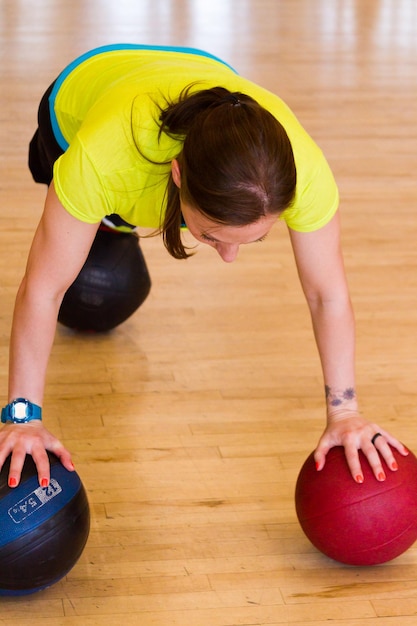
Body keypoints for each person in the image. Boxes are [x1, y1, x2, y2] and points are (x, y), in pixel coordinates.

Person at [0, 43, 407, 488]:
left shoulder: (300, 171)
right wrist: (22, 416)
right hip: (78, 97)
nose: (229, 257)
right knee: (83, 229)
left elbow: (327, 294)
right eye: (213, 237)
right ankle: (112, 221)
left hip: (206, 87)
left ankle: (115, 221)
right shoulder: (103, 157)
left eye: (254, 239)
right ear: (177, 174)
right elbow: (43, 288)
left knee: (103, 224)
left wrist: (344, 412)